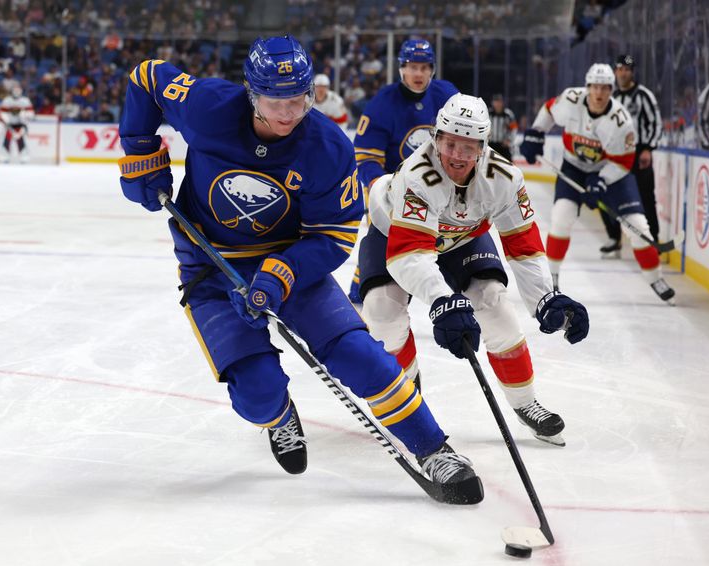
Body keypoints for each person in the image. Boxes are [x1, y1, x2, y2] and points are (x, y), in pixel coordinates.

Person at [117, 35, 482, 500]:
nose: (288, 113)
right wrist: (139, 152)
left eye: (298, 100)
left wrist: (281, 273)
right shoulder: (208, 106)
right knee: (257, 393)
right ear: (252, 93)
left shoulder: (327, 147)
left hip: (290, 262)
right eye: (275, 101)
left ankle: (434, 449)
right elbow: (146, 77)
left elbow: (334, 236)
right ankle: (278, 416)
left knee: (360, 355)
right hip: (211, 266)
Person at [358, 93, 589, 445]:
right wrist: (442, 301)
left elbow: (523, 246)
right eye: (450, 144)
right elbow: (410, 255)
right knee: (382, 311)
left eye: (468, 148)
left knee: (495, 303)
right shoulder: (416, 176)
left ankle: (526, 403)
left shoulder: (505, 179)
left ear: (483, 146)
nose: (456, 156)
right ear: (436, 139)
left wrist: (546, 297)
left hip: (462, 239)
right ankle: (406, 398)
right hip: (392, 232)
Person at [520, 63, 676, 305]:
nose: (599, 93)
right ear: (587, 87)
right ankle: (551, 276)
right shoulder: (572, 99)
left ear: (611, 89)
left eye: (605, 88)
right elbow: (549, 110)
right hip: (574, 167)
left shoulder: (621, 121)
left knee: (638, 227)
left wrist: (601, 181)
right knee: (561, 217)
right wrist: (536, 131)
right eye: (595, 87)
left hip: (612, 173)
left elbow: (625, 161)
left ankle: (656, 278)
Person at [348, 38, 458, 304]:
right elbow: (366, 159)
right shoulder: (382, 103)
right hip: (392, 185)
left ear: (432, 69)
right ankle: (361, 287)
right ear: (401, 69)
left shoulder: (448, 96)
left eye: (424, 67)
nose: (418, 73)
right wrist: (383, 189)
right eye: (412, 67)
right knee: (383, 240)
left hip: (438, 184)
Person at [597, 54, 663, 258]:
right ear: (615, 72)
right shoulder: (613, 98)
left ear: (632, 72)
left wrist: (648, 149)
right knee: (605, 195)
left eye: (627, 69)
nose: (623, 73)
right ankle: (614, 238)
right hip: (616, 155)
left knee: (644, 198)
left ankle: (653, 240)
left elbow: (656, 123)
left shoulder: (644, 95)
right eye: (620, 69)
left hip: (639, 153)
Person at [0, 85, 34, 163]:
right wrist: (5, 119)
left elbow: (31, 113)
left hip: (21, 125)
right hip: (9, 125)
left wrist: (23, 115)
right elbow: (2, 112)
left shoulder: (25, 100)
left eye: (18, 90)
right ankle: (4, 156)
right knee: (6, 140)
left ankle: (24, 156)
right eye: (15, 90)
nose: (16, 92)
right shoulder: (7, 100)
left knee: (21, 140)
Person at [487, 93, 517, 161]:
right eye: (496, 101)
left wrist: (509, 140)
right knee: (486, 163)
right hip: (490, 144)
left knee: (508, 164)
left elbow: (514, 128)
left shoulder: (508, 114)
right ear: (492, 103)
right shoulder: (488, 113)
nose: (497, 104)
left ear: (502, 102)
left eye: (499, 101)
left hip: (503, 145)